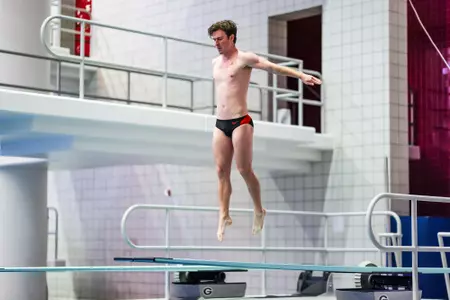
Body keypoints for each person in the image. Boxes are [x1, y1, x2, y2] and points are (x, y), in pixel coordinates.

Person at [208, 20, 322, 242]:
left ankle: (259, 209)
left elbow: (272, 67)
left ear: (231, 37)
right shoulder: (215, 62)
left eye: (220, 39)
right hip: (220, 123)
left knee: (243, 169)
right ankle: (224, 215)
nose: (217, 44)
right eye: (214, 40)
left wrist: (301, 76)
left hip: (241, 121)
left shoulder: (245, 59)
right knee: (221, 170)